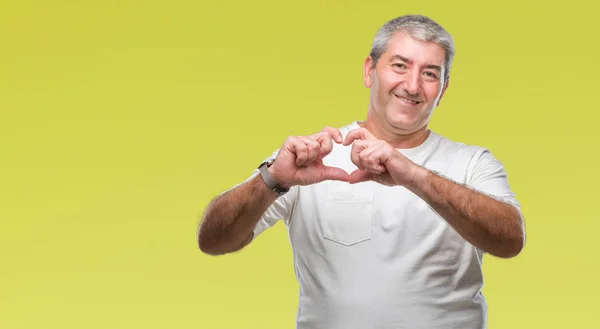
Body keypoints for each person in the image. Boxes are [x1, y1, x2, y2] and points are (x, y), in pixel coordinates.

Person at [197, 14, 526, 329]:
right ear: (370, 70)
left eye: (429, 74)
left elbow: (510, 240)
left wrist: (412, 175)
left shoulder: (472, 163)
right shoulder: (311, 159)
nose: (412, 85)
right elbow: (213, 240)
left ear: (442, 90)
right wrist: (273, 179)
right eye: (400, 65)